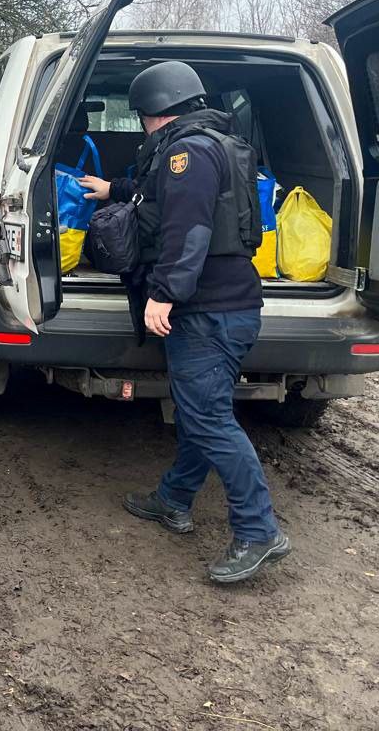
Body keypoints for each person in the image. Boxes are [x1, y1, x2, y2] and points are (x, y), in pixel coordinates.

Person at [78, 60, 290, 585]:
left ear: (151, 111)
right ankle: (173, 499)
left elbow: (189, 229)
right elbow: (163, 202)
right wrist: (116, 190)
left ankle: (259, 531)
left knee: (208, 420)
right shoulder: (209, 142)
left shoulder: (185, 153)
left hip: (208, 311)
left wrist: (164, 296)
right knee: (202, 410)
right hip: (229, 306)